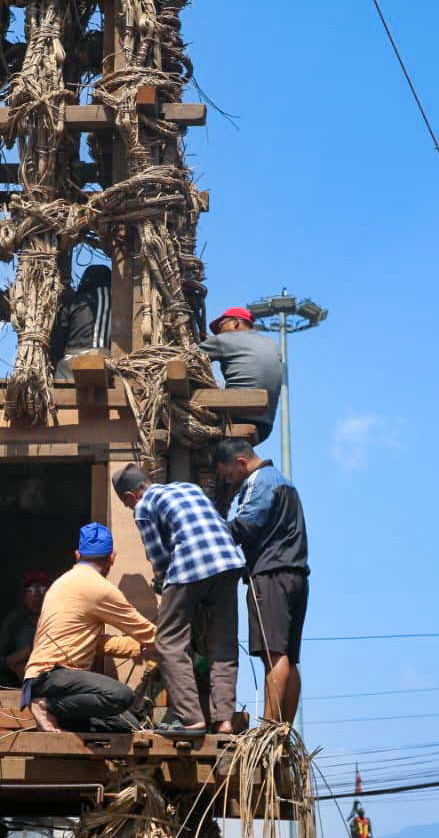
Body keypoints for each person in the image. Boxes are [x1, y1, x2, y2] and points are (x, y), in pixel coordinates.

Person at [112, 464, 244, 736]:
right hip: (229, 563)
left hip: (191, 566)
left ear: (129, 496)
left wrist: (162, 584)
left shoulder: (143, 506)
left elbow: (158, 559)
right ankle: (225, 721)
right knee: (223, 645)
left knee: (169, 643)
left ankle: (191, 718)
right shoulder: (189, 488)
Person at [23, 523, 157, 733]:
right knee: (122, 696)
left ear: (77, 555)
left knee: (127, 725)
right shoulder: (98, 588)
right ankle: (46, 706)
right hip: (52, 677)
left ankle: (61, 715)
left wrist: (139, 648)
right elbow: (145, 631)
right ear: (112, 557)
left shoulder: (62, 582)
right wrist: (173, 643)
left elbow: (94, 643)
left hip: (48, 682)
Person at [212, 438, 309, 725]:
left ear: (241, 463)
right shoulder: (284, 482)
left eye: (228, 474)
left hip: (270, 576)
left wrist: (209, 529)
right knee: (289, 659)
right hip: (296, 576)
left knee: (273, 655)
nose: (229, 482)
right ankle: (283, 730)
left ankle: (267, 730)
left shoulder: (259, 480)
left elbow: (245, 526)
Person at [199, 306, 282, 444]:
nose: (219, 333)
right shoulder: (272, 344)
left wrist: (209, 342)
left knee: (204, 386)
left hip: (236, 417)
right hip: (265, 426)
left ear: (235, 323)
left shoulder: (224, 340)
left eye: (220, 327)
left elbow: (189, 357)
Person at [51, 264, 112, 381]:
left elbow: (58, 338)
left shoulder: (72, 302)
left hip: (70, 362)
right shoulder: (116, 300)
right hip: (105, 360)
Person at [0, 571, 51, 686]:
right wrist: (11, 661)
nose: (37, 595)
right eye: (31, 590)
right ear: (24, 595)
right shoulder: (14, 621)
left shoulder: (55, 619)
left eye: (43, 590)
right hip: (15, 683)